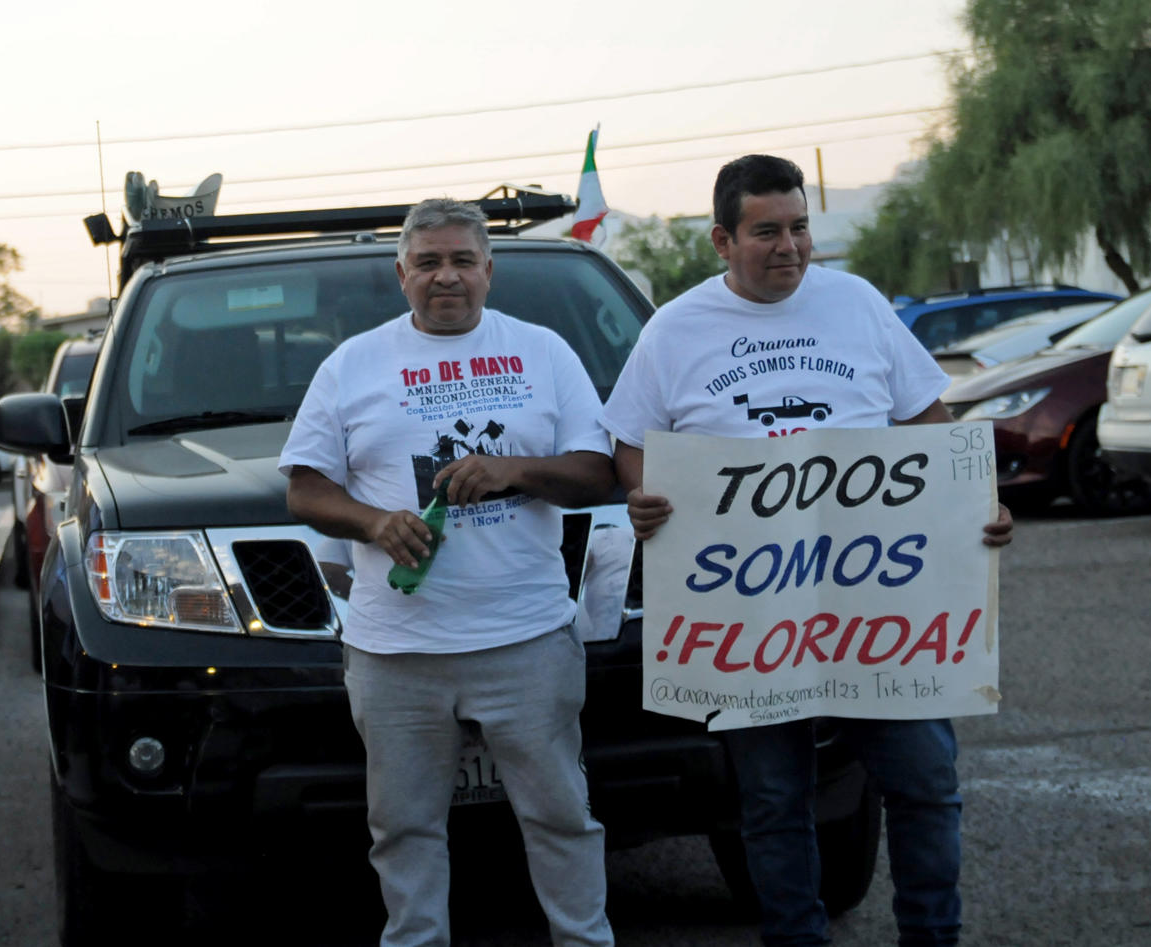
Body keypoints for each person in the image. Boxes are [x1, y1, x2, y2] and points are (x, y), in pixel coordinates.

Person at [600, 154, 1014, 947]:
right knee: (771, 799)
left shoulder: (856, 303)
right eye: (766, 231)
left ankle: (935, 935)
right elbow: (630, 443)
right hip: (750, 614)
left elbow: (931, 424)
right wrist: (645, 496)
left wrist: (979, 500)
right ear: (723, 239)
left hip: (880, 605)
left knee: (925, 782)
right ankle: (796, 937)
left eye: (799, 228)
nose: (788, 246)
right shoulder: (675, 328)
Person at [281, 197, 617, 947]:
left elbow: (598, 473)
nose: (446, 276)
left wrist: (512, 470)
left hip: (526, 638)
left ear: (489, 270)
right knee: (403, 830)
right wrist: (374, 522)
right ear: (401, 273)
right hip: (396, 652)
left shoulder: (544, 352)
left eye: (462, 259)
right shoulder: (352, 364)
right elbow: (304, 486)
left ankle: (585, 939)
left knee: (563, 817)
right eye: (428, 261)